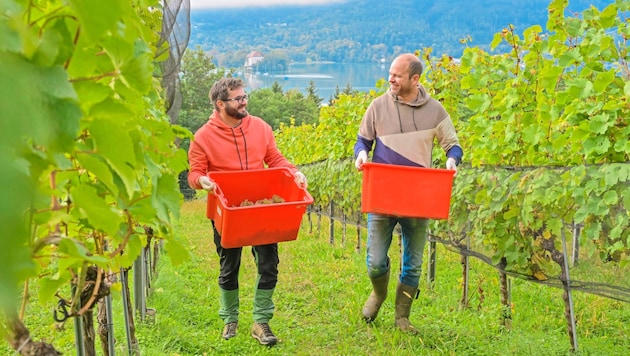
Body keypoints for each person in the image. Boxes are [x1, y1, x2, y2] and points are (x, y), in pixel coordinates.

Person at [187, 77, 307, 346]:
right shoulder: (203, 137)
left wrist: (294, 171)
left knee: (268, 264)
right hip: (226, 210)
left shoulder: (260, 128)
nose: (244, 102)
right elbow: (194, 172)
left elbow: (274, 159)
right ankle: (230, 318)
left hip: (260, 207)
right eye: (238, 99)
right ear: (220, 104)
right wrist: (202, 181)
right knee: (229, 266)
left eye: (245, 97)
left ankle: (261, 321)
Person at [353, 53, 463, 334]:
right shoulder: (377, 107)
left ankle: (402, 317)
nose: (390, 79)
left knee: (412, 266)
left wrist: (452, 161)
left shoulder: (435, 111)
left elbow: (453, 145)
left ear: (415, 79)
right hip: (382, 194)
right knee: (375, 262)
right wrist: (362, 155)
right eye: (390, 73)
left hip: (418, 198)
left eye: (397, 75)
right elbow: (362, 140)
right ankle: (378, 293)